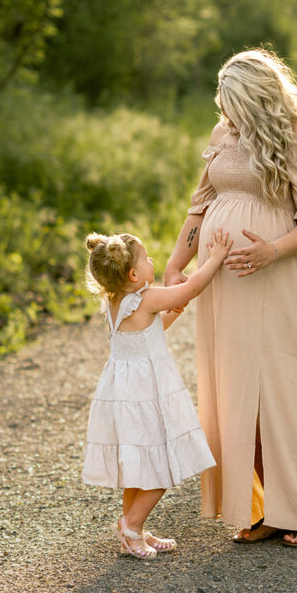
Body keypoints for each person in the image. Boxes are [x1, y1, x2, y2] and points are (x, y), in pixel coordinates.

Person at [165, 48, 297, 548]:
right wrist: (178, 263)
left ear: (256, 98)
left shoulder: (295, 135)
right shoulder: (223, 135)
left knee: (282, 388)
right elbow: (199, 209)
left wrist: (271, 251)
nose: (226, 114)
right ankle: (260, 506)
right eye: (224, 105)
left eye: (233, 103)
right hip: (222, 281)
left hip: (275, 275)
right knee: (236, 389)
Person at [82, 228, 232, 559]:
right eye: (147, 259)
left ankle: (131, 526)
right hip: (146, 393)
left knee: (138, 464)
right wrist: (216, 258)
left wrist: (169, 317)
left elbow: (143, 335)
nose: (153, 262)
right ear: (134, 274)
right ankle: (133, 526)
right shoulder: (146, 297)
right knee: (163, 464)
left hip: (125, 392)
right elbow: (189, 289)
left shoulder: (115, 302)